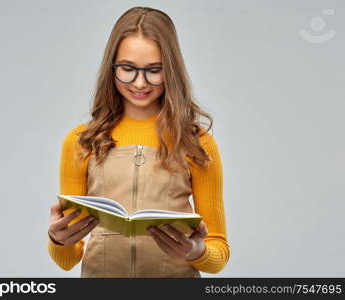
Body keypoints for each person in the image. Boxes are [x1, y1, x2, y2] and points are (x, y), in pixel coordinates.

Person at [47, 6, 230, 277]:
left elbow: (219, 254)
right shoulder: (80, 142)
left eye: (154, 70)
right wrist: (59, 240)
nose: (140, 83)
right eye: (128, 69)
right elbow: (66, 261)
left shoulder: (197, 143)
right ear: (112, 68)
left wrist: (196, 252)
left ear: (171, 69)